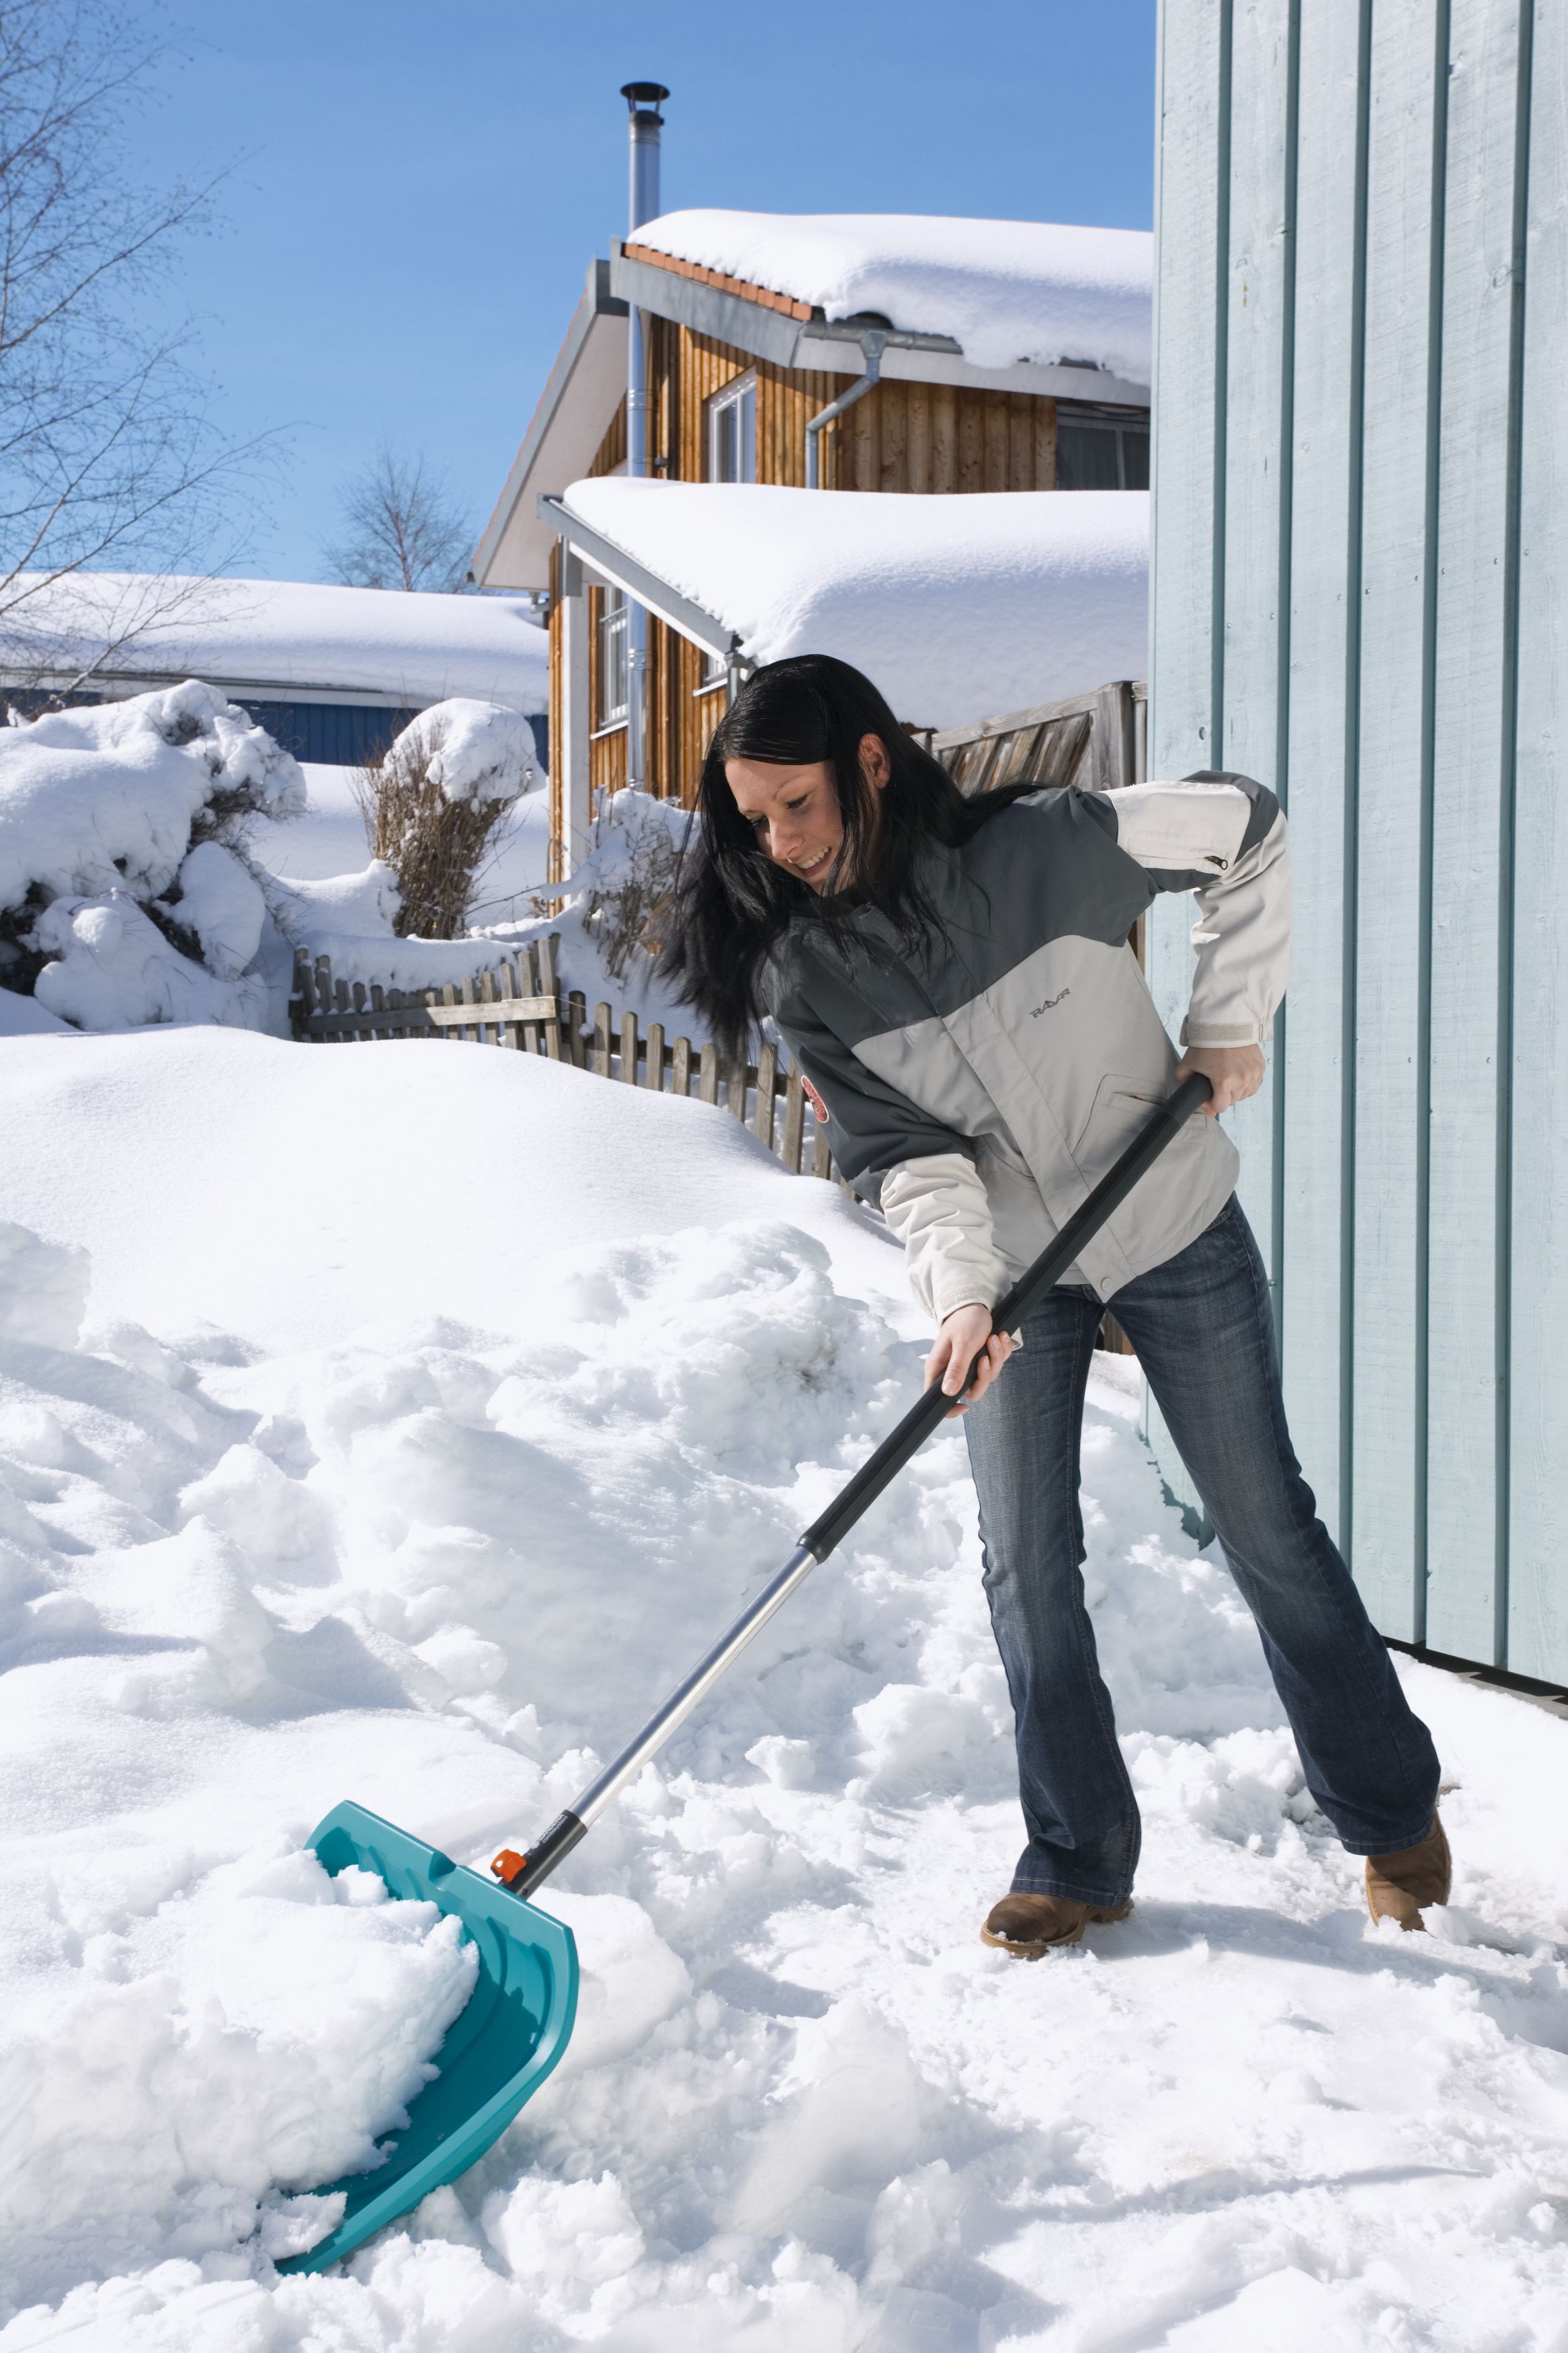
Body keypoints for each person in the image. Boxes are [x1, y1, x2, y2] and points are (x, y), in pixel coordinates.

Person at [661, 653, 1448, 1957]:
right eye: (755, 820)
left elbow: (1248, 825)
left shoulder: (1045, 850)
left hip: (1168, 1214)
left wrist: (1228, 1016)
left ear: (868, 760)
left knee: (1262, 1523)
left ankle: (1392, 1822)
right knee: (1025, 1559)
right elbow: (909, 1159)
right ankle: (1077, 1852)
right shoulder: (814, 978)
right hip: (1021, 1261)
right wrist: (965, 1293)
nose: (781, 843)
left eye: (796, 802)